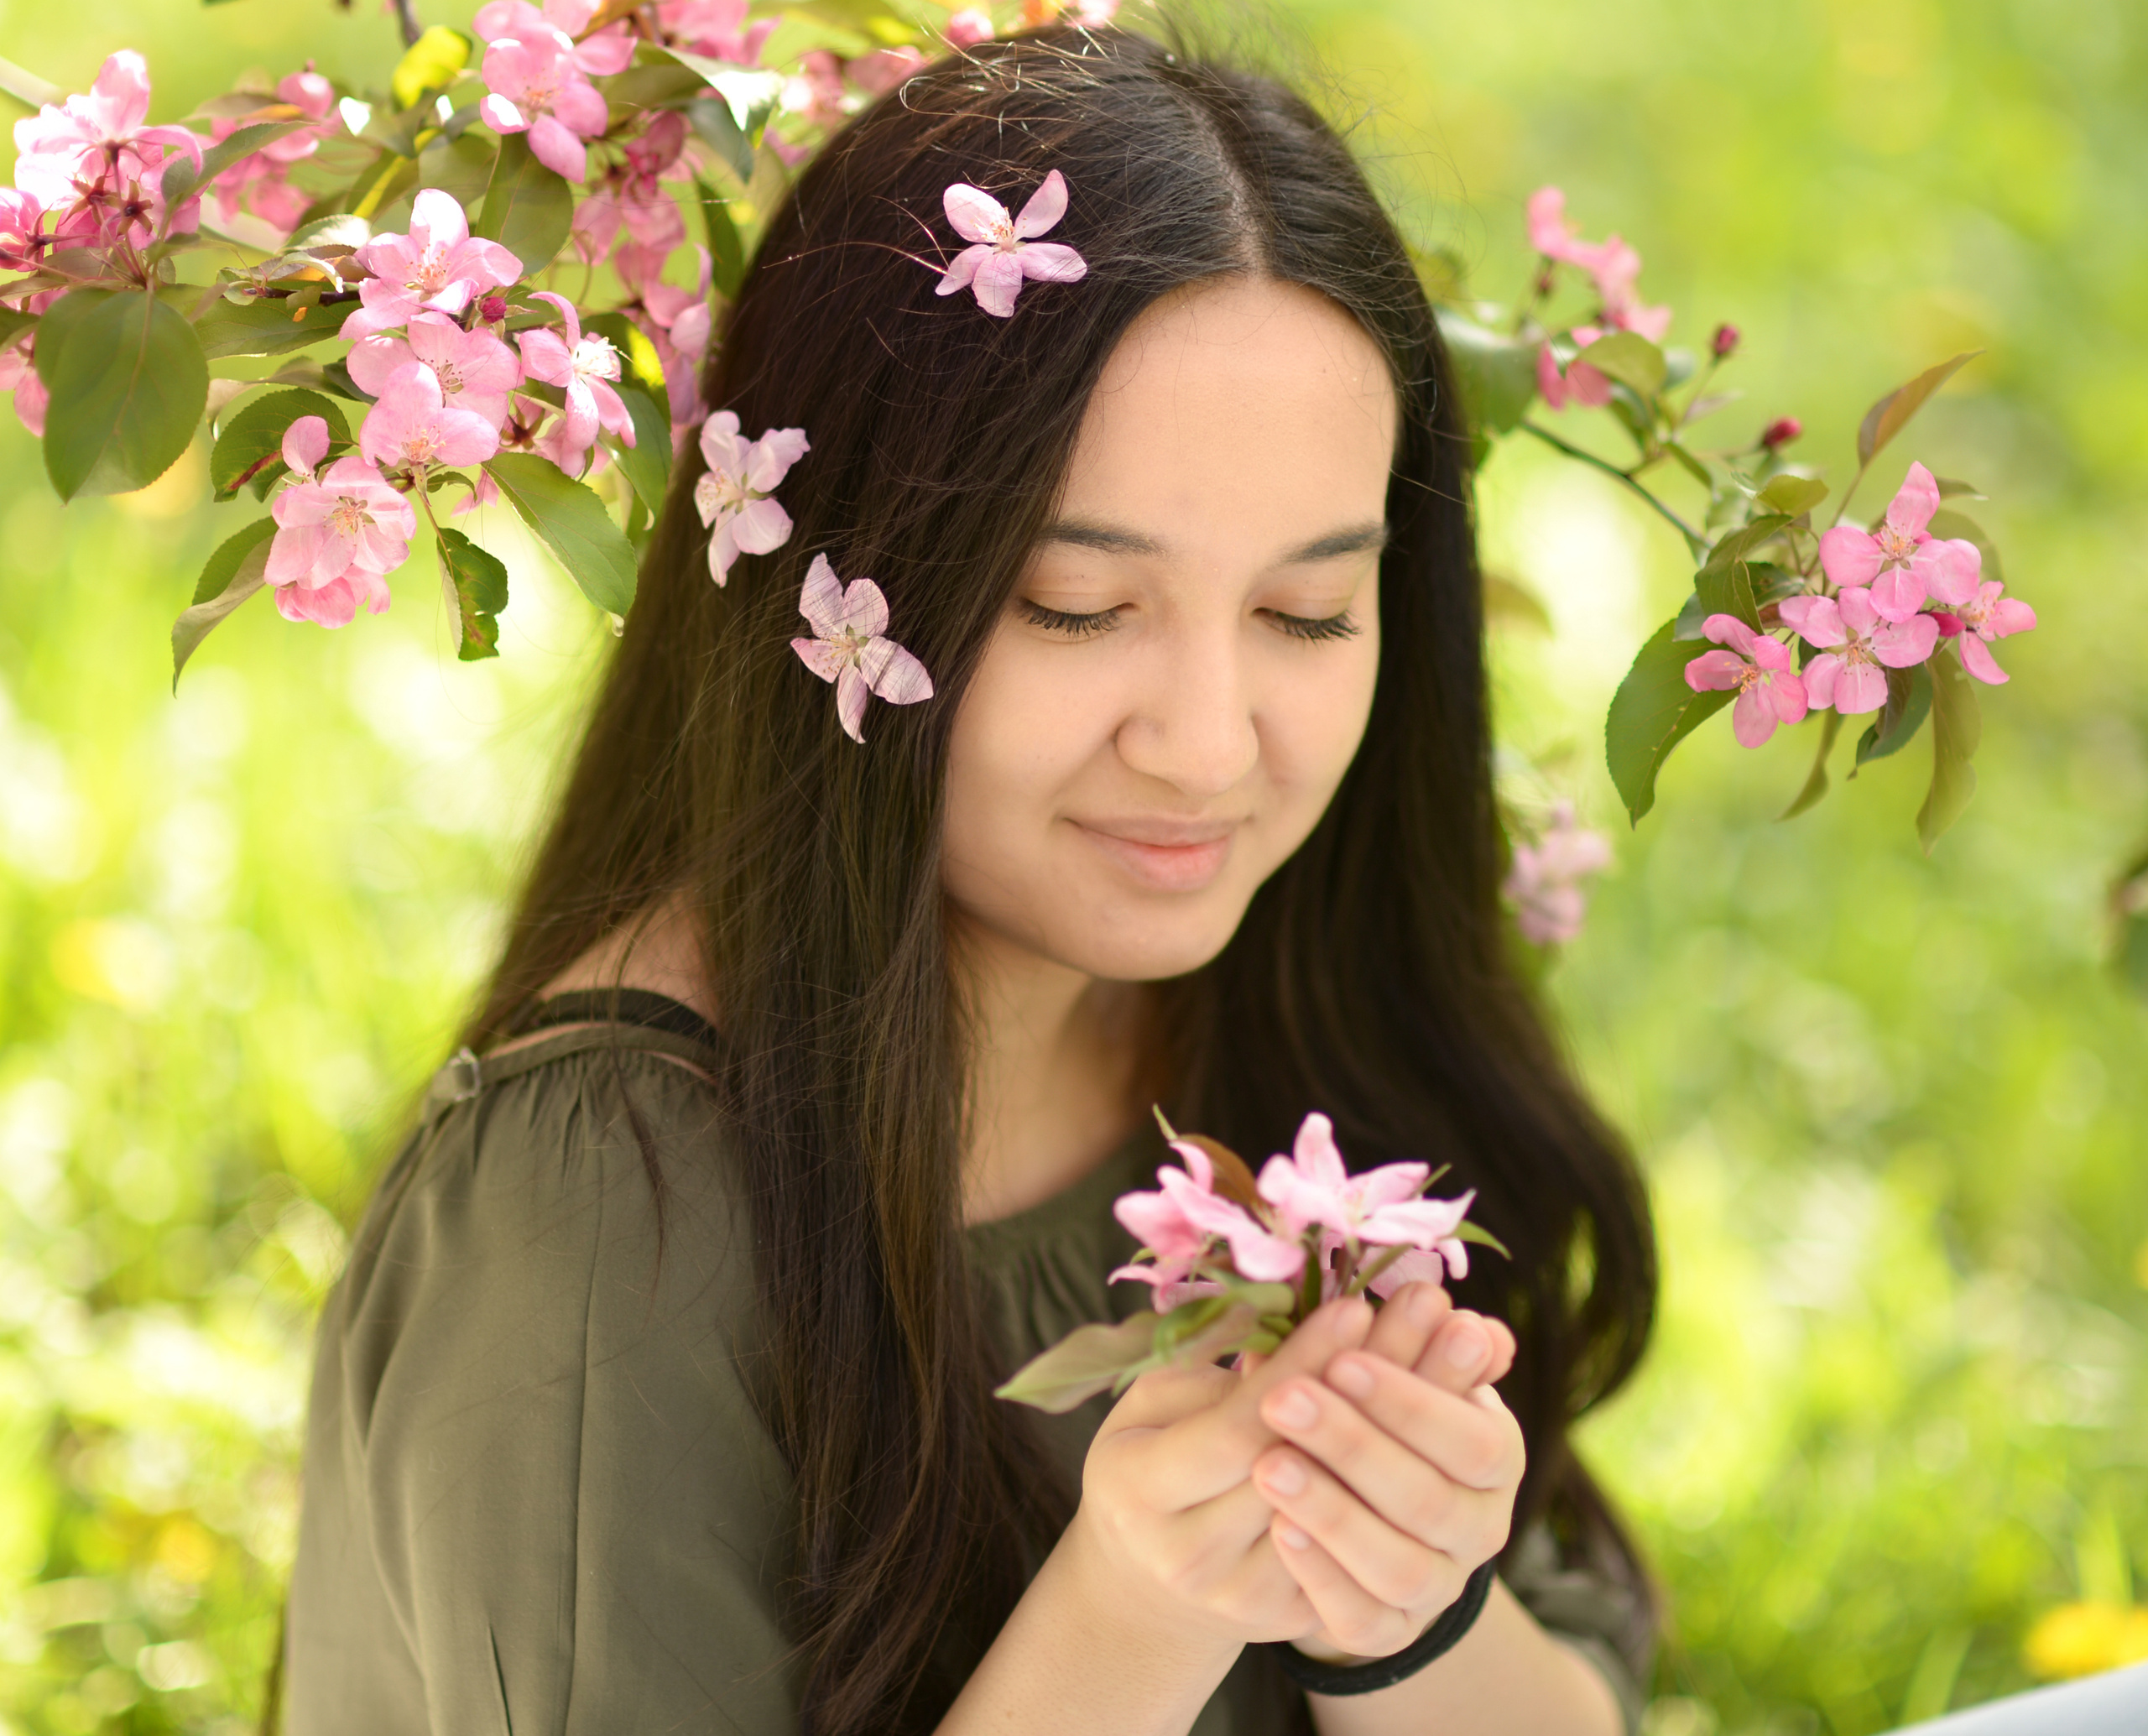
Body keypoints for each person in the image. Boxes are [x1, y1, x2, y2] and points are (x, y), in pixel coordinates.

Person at [279, 23, 1659, 1736]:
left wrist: (1404, 1616)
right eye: (1076, 608)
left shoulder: (1295, 1004)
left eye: (1308, 613)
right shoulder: (605, 1221)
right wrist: (1132, 1616)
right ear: (842, 593)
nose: (1210, 746)